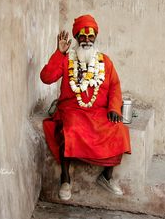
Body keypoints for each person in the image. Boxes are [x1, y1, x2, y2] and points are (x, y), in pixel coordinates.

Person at [40, 15, 131, 201]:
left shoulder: (105, 61)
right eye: (83, 36)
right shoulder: (67, 60)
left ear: (95, 37)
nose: (87, 40)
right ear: (76, 38)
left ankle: (106, 177)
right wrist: (59, 53)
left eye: (90, 36)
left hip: (99, 112)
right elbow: (46, 78)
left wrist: (114, 108)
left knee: (119, 129)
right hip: (72, 110)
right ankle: (65, 180)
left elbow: (115, 87)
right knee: (71, 128)